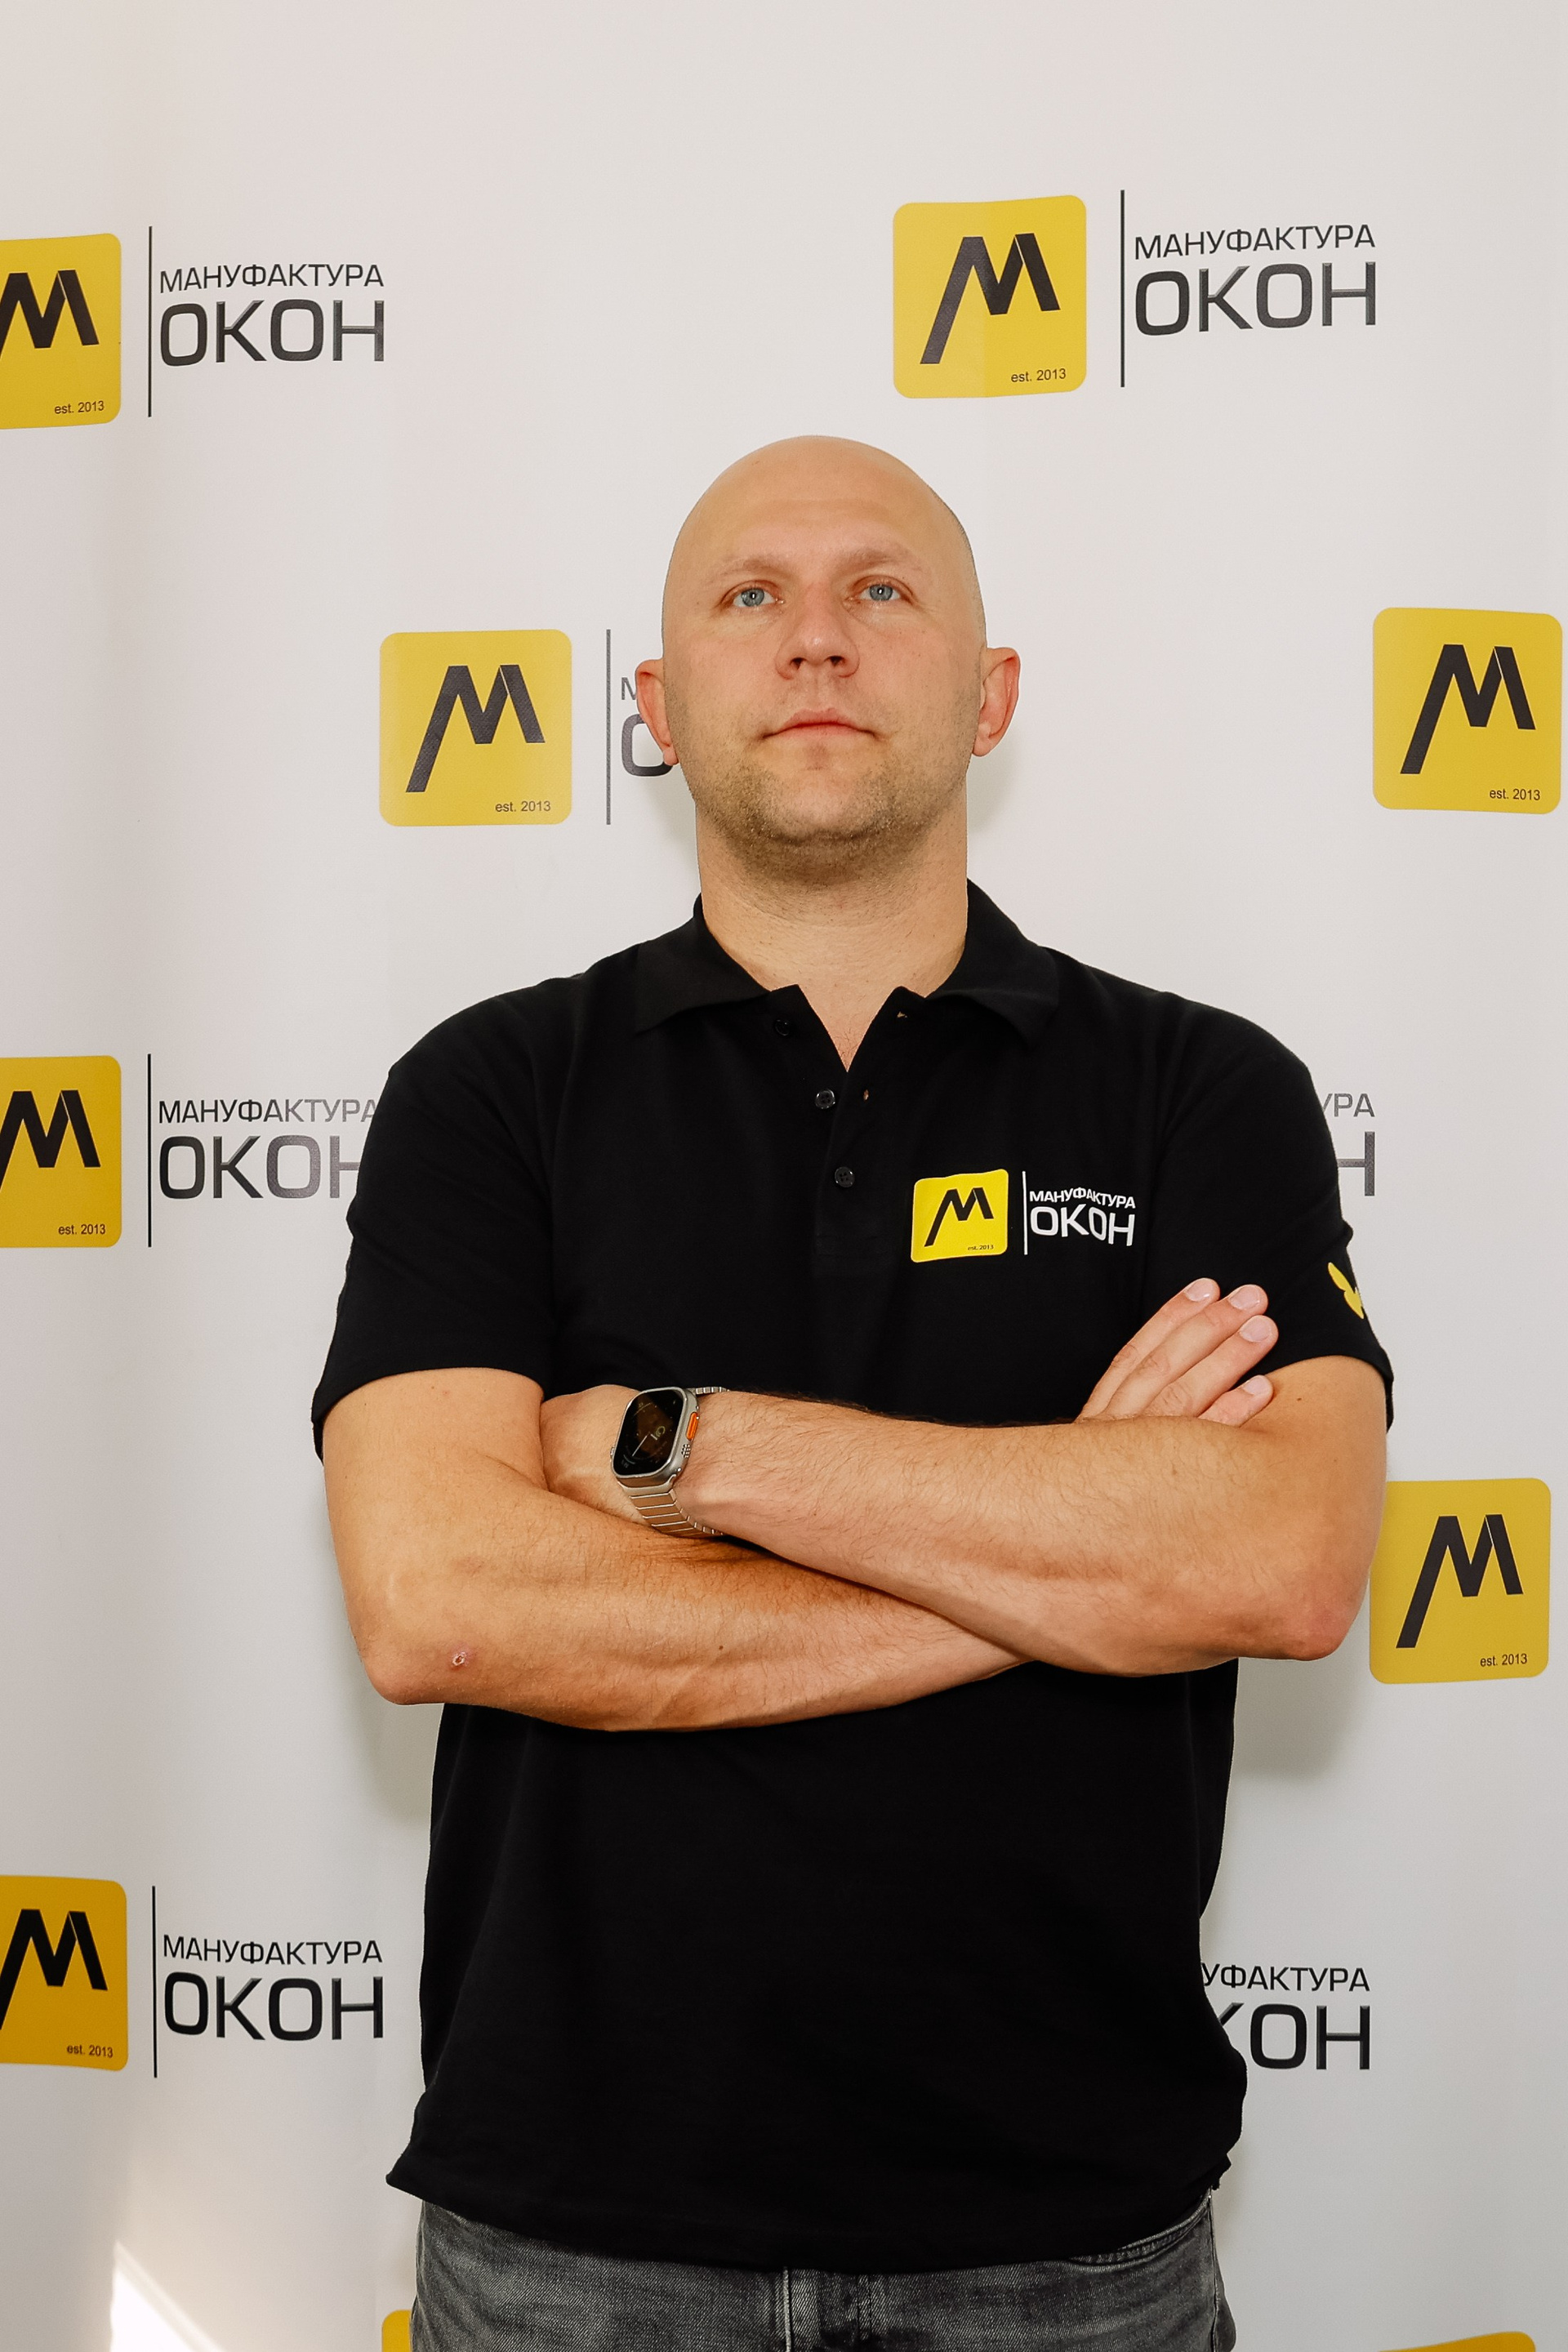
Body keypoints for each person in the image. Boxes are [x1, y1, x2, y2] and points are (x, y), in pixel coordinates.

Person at [315, 436, 1391, 2350]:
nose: (816, 638)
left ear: (990, 693)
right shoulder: (492, 1093)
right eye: (753, 596)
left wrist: (677, 1448)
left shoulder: (1200, 1091)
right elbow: (440, 1604)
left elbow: (1286, 1562)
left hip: (1067, 2242)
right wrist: (1067, 1551)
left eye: (882, 590)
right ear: (660, 708)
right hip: (574, 2239)